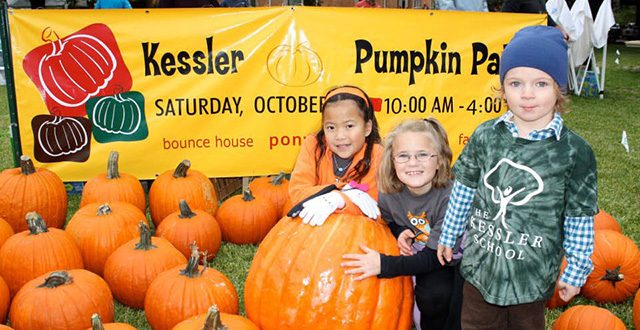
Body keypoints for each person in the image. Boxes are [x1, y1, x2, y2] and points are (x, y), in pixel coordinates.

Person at [437, 25, 597, 329]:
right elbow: (465, 189)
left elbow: (579, 217)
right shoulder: (486, 135)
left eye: (540, 83)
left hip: (531, 276)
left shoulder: (574, 152)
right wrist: (449, 234)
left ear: (559, 88)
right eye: (515, 83)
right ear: (502, 88)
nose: (527, 94)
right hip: (480, 269)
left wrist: (576, 271)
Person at [341, 118, 462, 330]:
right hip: (422, 253)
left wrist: (383, 265)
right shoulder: (390, 194)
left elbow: (434, 258)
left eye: (422, 155)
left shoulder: (450, 198)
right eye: (403, 156)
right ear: (392, 161)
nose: (412, 163)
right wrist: (399, 231)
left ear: (440, 161)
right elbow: (387, 220)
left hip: (453, 257)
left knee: (441, 295)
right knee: (427, 293)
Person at [289, 85, 382, 227]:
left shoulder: (377, 155)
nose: (340, 136)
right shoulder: (312, 145)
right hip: (313, 230)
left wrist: (341, 200)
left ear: (367, 128)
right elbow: (297, 192)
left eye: (349, 126)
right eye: (331, 127)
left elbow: (372, 208)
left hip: (358, 232)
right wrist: (343, 191)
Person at [501, 0, 569, 39]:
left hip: (539, 39)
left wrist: (559, 29)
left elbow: (544, 16)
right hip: (522, 41)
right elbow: (505, 18)